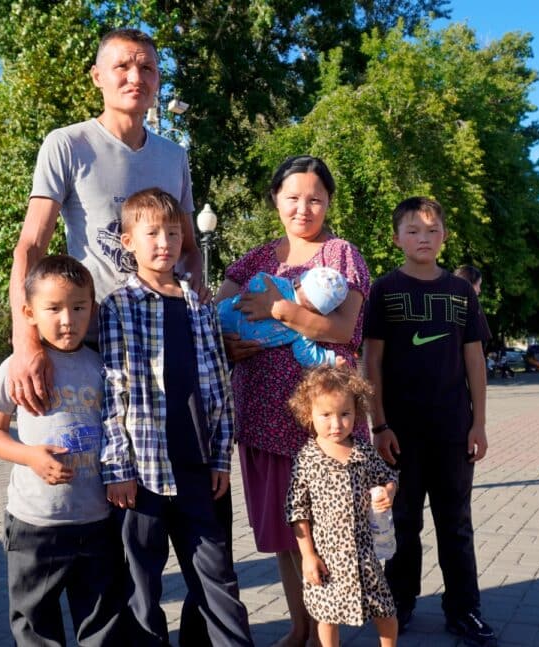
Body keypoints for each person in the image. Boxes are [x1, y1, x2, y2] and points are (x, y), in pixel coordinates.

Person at [216, 155, 370, 646]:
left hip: (324, 424)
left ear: (328, 203)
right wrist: (228, 346)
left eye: (315, 199)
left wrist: (279, 309)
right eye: (293, 198)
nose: (303, 208)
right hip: (263, 418)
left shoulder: (341, 255)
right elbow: (214, 319)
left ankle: (327, 633)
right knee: (288, 534)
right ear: (275, 200)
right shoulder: (254, 260)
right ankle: (300, 627)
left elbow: (343, 329)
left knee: (329, 532)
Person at [7, 27, 202, 416]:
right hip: (90, 341)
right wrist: (25, 341)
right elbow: (30, 247)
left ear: (158, 79)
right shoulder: (67, 144)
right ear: (97, 76)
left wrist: (194, 302)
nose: (135, 77)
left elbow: (191, 252)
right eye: (122, 66)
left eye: (147, 68)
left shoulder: (173, 156)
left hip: (161, 342)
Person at [99, 188, 253, 647]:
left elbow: (220, 387)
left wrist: (221, 459)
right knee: (141, 587)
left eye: (172, 232)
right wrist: (118, 469)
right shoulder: (118, 306)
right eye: (152, 234)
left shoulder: (199, 304)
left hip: (196, 468)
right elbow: (113, 392)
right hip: (143, 475)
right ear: (128, 242)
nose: (164, 242)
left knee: (217, 577)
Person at [362, 197, 496, 646]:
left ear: (444, 236)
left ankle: (464, 609)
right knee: (403, 522)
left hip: (453, 429)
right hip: (400, 432)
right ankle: (399, 604)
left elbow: (474, 360)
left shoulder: (460, 292)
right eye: (413, 230)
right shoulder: (384, 289)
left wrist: (479, 424)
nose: (424, 237)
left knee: (455, 523)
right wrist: (379, 425)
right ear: (396, 238)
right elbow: (371, 360)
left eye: (432, 229)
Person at [0, 255, 126, 645]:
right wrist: (30, 456)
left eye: (79, 307)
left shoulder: (103, 367)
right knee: (35, 624)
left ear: (92, 309)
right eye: (54, 308)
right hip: (36, 525)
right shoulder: (16, 368)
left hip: (96, 520)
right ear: (29, 313)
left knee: (103, 623)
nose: (68, 320)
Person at [285, 365, 399, 647]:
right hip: (327, 557)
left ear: (356, 412)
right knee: (326, 615)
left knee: (384, 608)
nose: (336, 424)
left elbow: (389, 476)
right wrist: (308, 555)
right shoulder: (307, 459)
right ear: (308, 413)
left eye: (345, 414)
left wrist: (388, 492)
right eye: (326, 415)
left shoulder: (363, 450)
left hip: (364, 554)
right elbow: (297, 511)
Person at [218, 266, 349, 366]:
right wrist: (330, 359)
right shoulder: (303, 327)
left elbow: (258, 279)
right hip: (238, 339)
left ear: (298, 281)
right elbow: (305, 355)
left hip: (225, 316)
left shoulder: (280, 286)